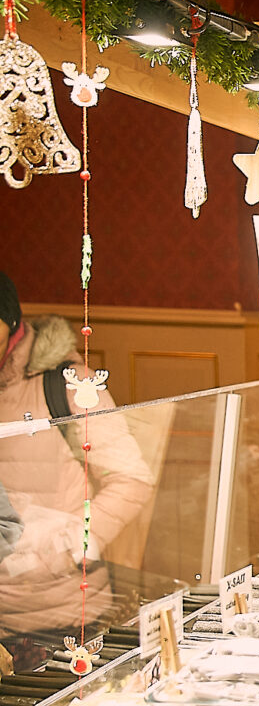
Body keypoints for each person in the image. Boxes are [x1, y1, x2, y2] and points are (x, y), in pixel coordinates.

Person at [0, 272, 154, 672]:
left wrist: (70, 542)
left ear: (11, 323)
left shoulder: (67, 384)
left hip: (60, 618)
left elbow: (131, 479)